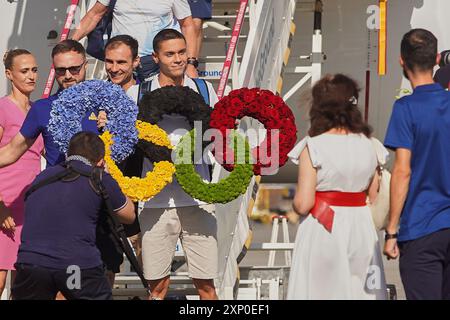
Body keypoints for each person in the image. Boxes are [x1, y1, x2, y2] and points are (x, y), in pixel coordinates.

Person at [286, 74, 388, 300]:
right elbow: (374, 195)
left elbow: (304, 204)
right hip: (361, 227)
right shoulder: (371, 145)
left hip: (324, 228)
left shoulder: (313, 146)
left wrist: (293, 205)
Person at [138, 29, 218, 300]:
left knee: (206, 286)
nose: (177, 59)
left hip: (197, 197)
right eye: (169, 54)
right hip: (155, 201)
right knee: (157, 287)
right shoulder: (139, 92)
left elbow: (216, 135)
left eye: (182, 52)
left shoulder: (205, 90)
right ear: (156, 57)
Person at [11, 132, 135, 300]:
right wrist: (107, 174)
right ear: (100, 160)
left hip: (32, 264)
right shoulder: (98, 177)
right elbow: (129, 215)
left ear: (68, 154)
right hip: (75, 267)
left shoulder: (42, 177)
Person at [383, 29, 450, 300]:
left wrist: (391, 230)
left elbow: (402, 171)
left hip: (422, 226)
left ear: (402, 61)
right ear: (436, 59)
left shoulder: (406, 108)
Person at [0, 40, 97, 169]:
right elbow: (11, 152)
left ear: (85, 65)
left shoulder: (104, 105)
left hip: (99, 186)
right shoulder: (42, 108)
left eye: (74, 69)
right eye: (61, 70)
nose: (67, 76)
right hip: (59, 186)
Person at [0, 49, 44, 298]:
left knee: (23, 284)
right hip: (4, 202)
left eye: (34, 70)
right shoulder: (2, 108)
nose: (31, 76)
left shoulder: (38, 110)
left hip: (31, 203)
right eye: (24, 71)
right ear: (9, 74)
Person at [71, 0, 199, 81]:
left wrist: (191, 63)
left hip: (156, 62)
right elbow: (94, 14)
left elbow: (187, 25)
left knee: (157, 111)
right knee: (118, 111)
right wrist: (71, 43)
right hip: (122, 62)